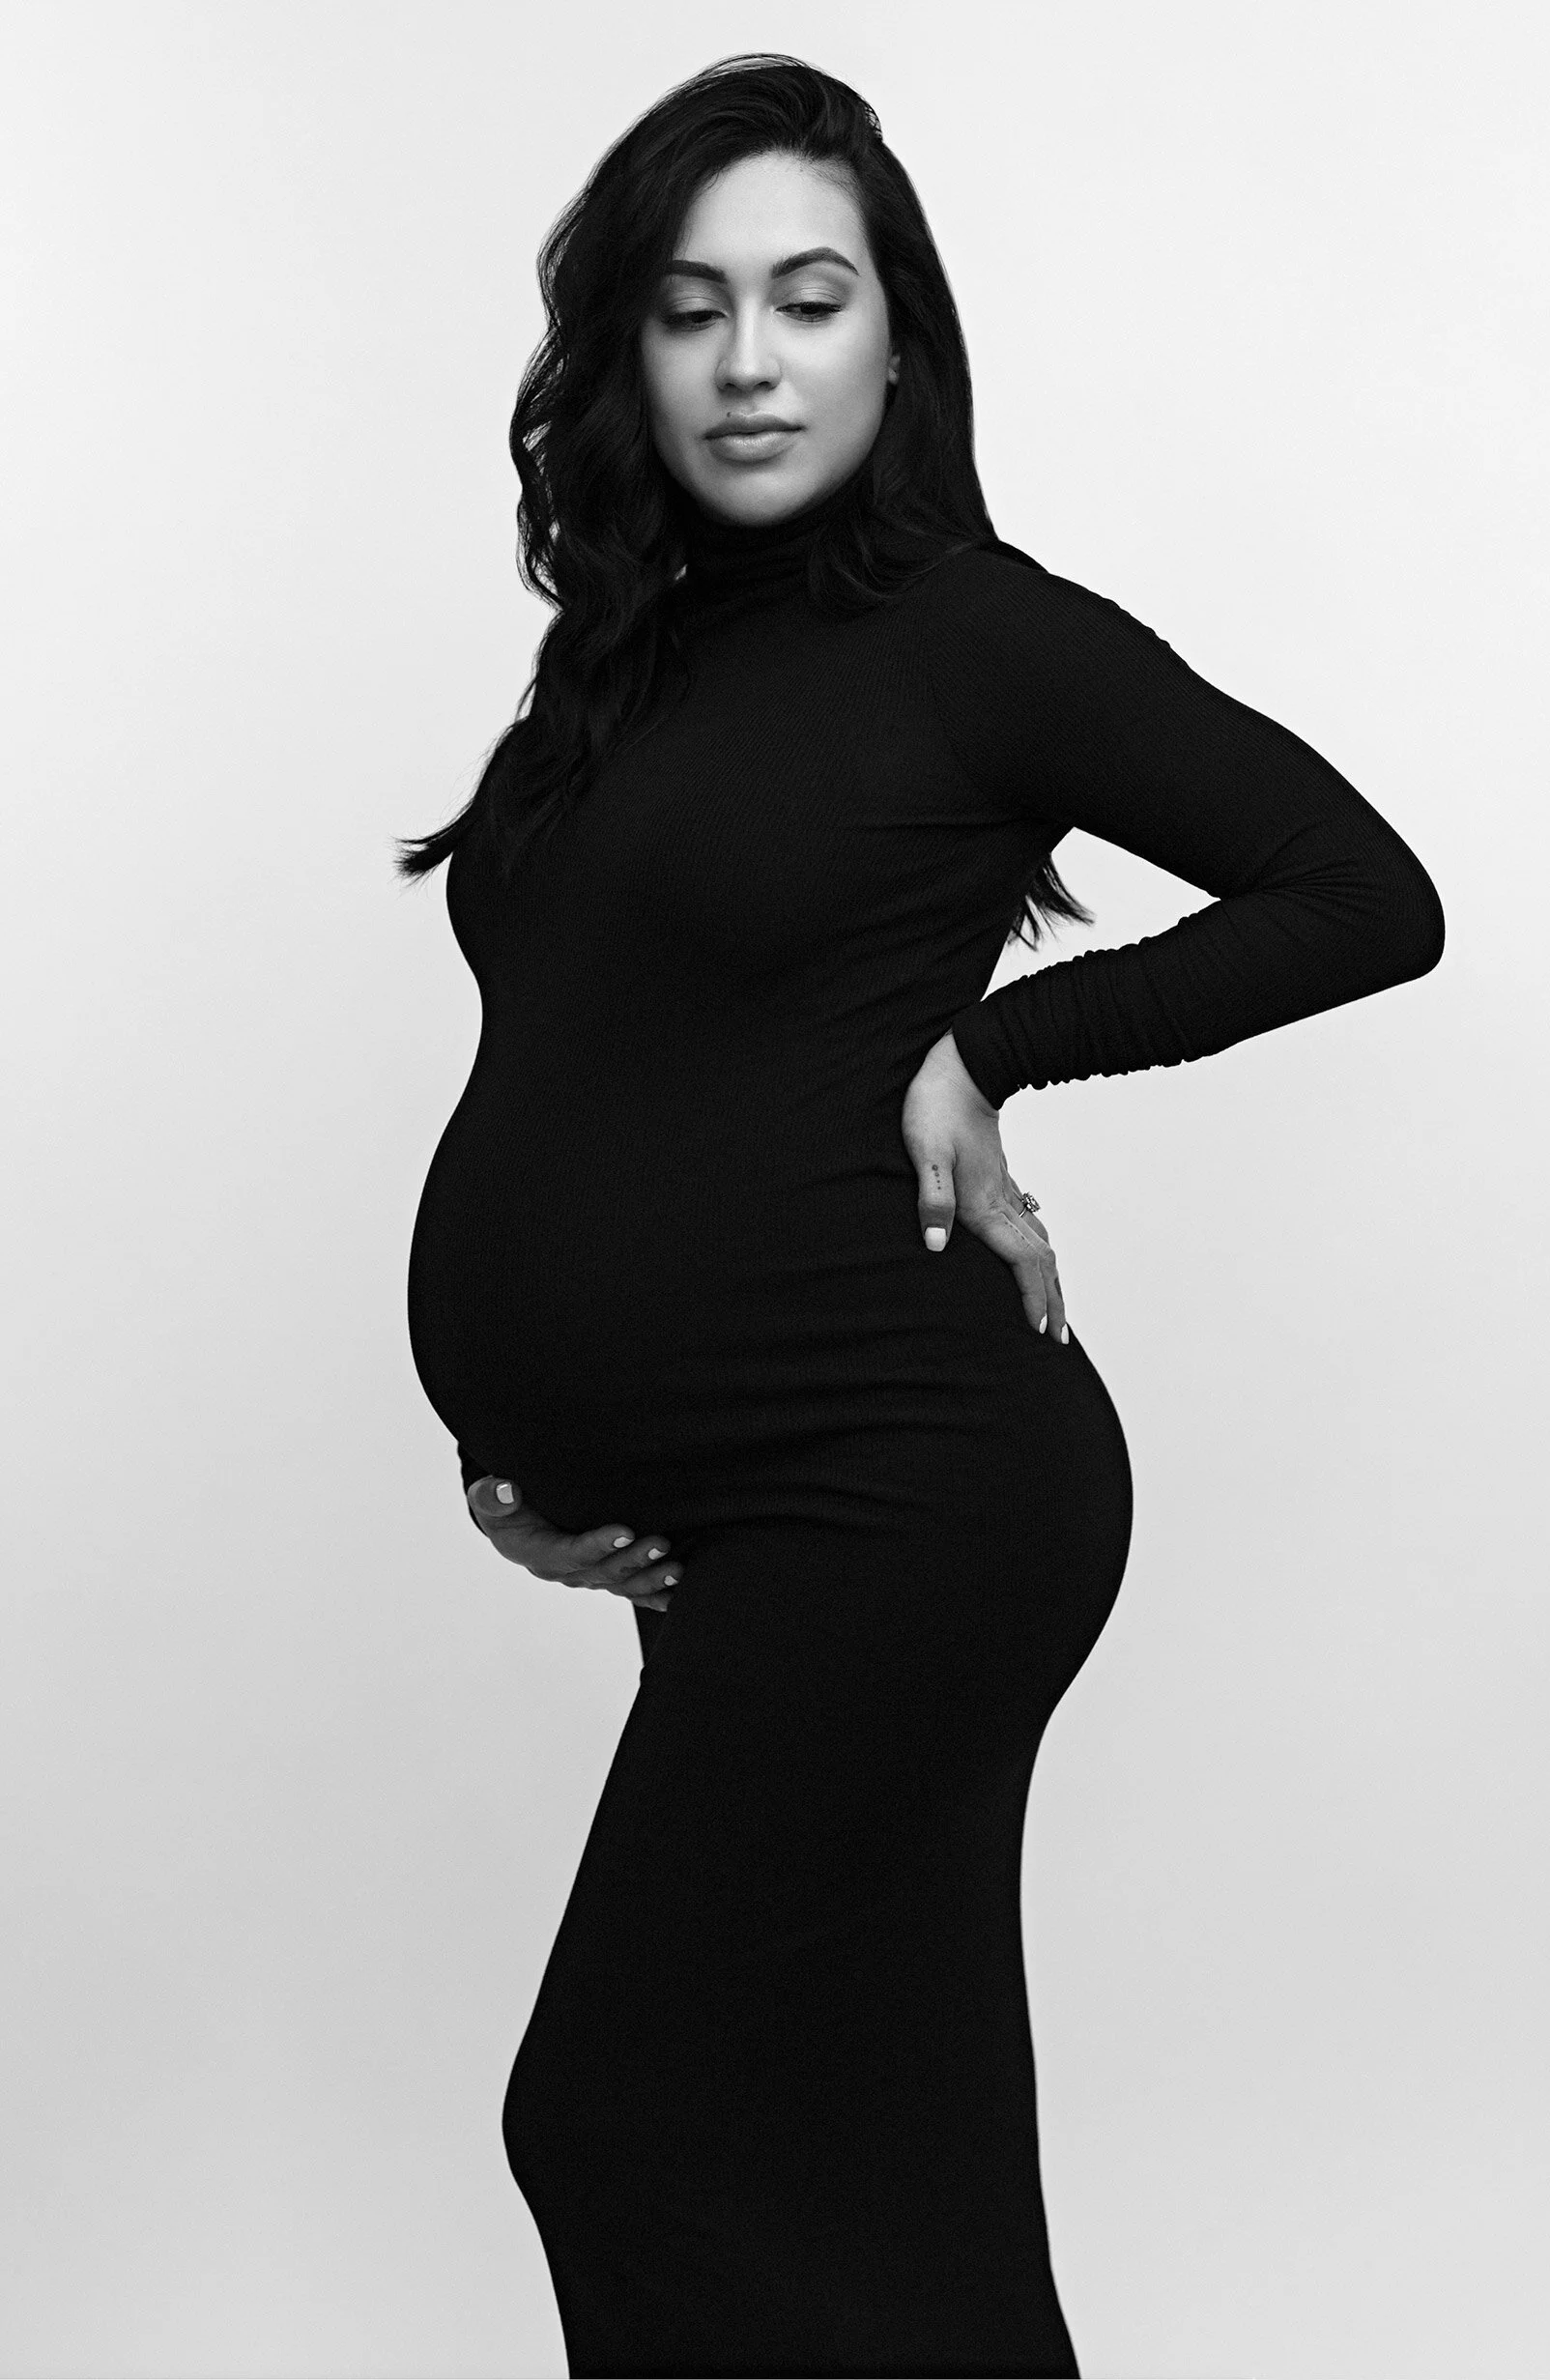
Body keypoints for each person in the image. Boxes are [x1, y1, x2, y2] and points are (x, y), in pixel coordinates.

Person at [398, 52, 1444, 2380]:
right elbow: (596, 1064)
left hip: (912, 1494)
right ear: (624, 353)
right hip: (735, 1512)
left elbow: (1363, 891)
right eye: (690, 309)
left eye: (805, 295)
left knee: (620, 2124)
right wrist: (528, 1439)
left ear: (898, 336)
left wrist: (1004, 1048)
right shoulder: (624, 666)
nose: (749, 360)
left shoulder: (979, 634)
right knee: (891, 2156)